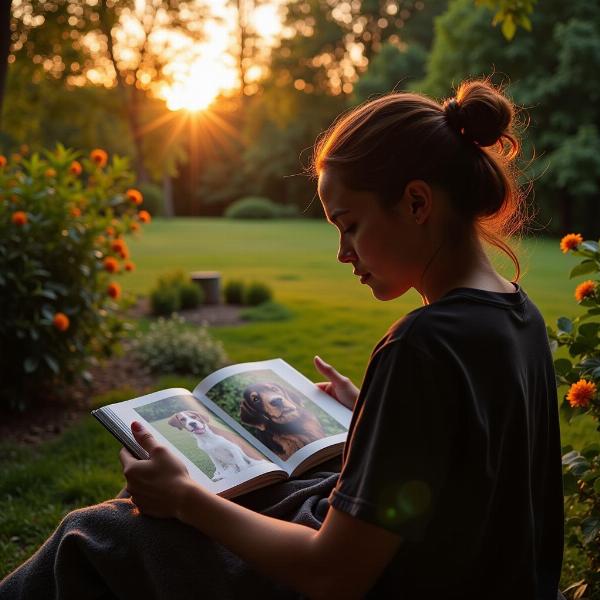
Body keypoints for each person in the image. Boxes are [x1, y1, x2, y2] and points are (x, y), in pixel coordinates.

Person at [0, 79, 564, 600]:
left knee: (95, 535)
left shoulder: (423, 345)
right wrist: (370, 414)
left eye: (350, 226)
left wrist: (185, 500)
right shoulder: (519, 314)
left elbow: (334, 575)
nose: (343, 252)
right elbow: (476, 461)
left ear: (417, 203)